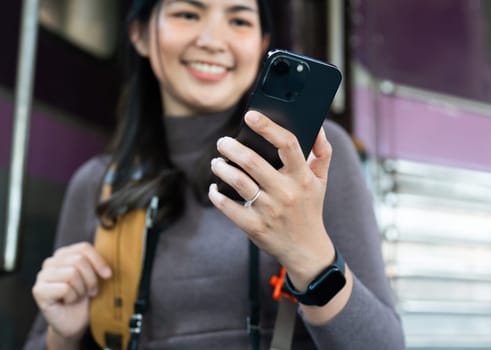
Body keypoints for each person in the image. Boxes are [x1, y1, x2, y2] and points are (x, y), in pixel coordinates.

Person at [24, 0, 405, 349]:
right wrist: (64, 334)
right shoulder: (97, 184)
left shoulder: (310, 158)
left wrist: (311, 258)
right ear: (139, 35)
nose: (212, 40)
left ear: (261, 45)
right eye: (187, 14)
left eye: (238, 20)